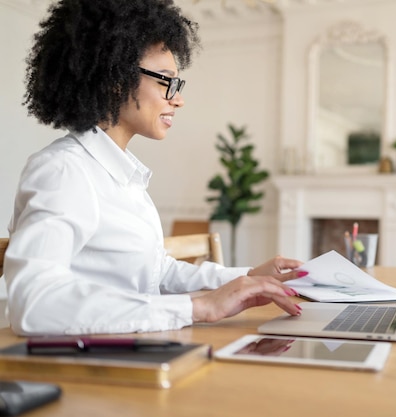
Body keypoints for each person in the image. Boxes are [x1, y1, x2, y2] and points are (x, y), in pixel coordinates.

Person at [4, 0, 306, 336]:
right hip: (84, 372)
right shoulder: (63, 170)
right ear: (115, 78)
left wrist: (248, 278)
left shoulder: (122, 175)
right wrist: (200, 307)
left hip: (134, 351)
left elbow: (152, 273)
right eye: (166, 81)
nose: (178, 99)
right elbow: (33, 302)